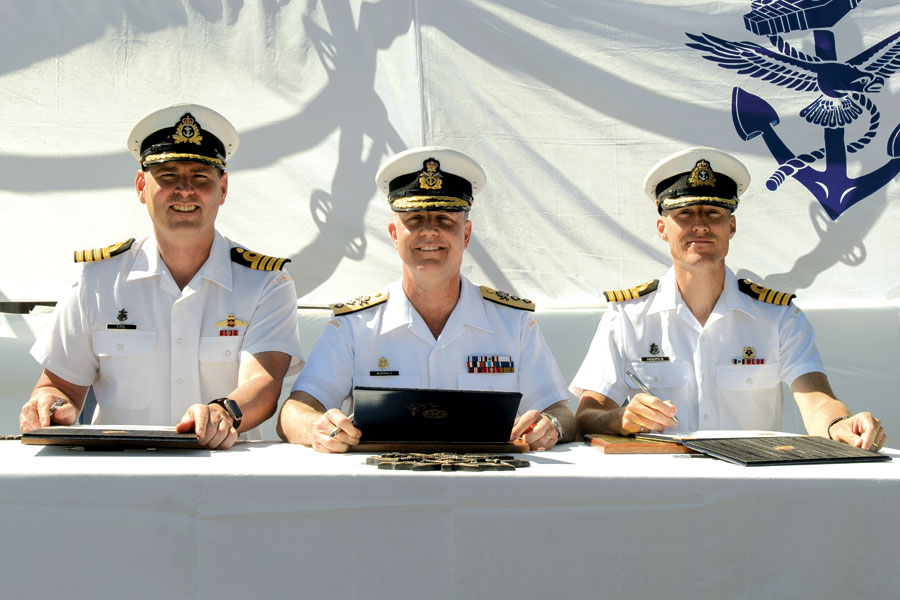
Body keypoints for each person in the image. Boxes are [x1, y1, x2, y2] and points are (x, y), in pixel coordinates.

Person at [20, 103, 303, 449]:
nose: (185, 190)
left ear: (223, 189)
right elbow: (59, 386)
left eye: (200, 176)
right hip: (121, 472)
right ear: (141, 186)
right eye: (167, 175)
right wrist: (49, 405)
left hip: (224, 475)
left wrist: (224, 413)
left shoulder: (265, 283)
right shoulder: (97, 281)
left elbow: (264, 383)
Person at [571, 147, 885, 451]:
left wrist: (839, 424)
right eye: (684, 214)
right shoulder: (626, 317)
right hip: (661, 490)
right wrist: (621, 418)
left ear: (731, 226)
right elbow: (586, 417)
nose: (700, 225)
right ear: (661, 229)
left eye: (714, 213)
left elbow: (816, 399)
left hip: (753, 488)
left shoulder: (778, 317)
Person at [277, 146, 574, 452]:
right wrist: (316, 427)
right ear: (394, 234)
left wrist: (553, 427)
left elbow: (562, 412)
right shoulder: (354, 327)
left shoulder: (514, 323)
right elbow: (294, 411)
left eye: (445, 220)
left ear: (466, 234)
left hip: (489, 485)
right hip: (385, 488)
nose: (429, 232)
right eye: (415, 219)